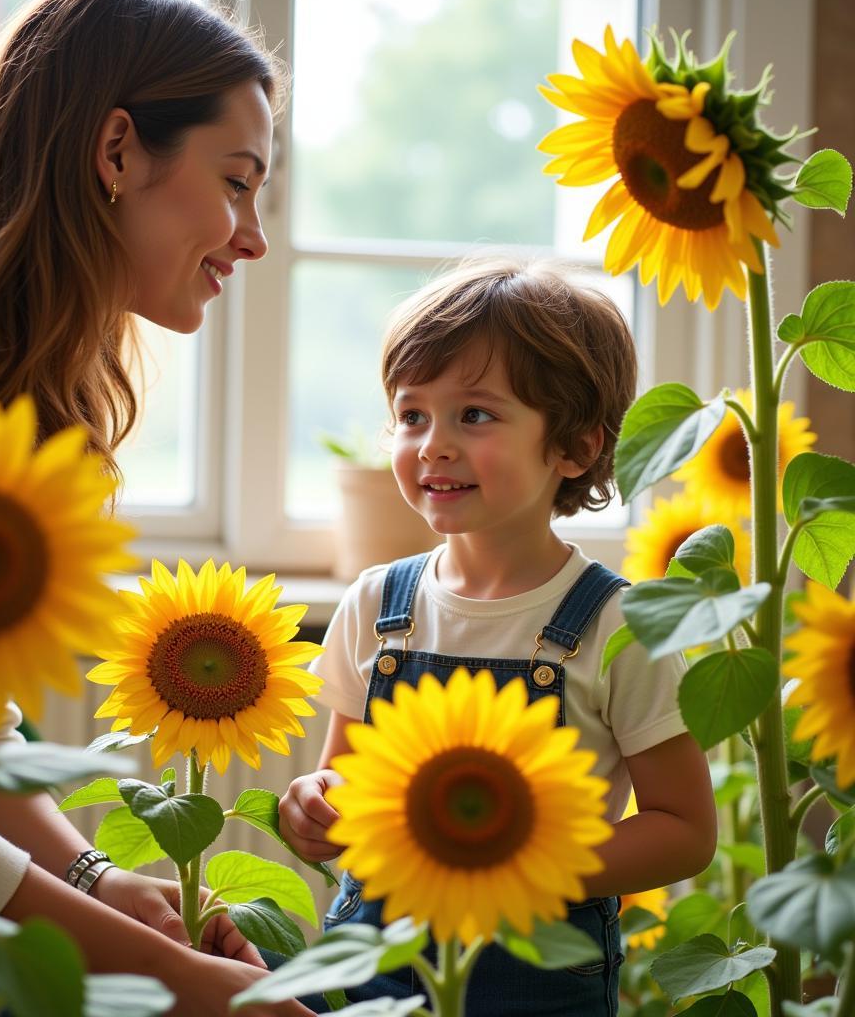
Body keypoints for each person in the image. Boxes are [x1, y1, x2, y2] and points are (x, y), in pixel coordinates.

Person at [0, 0, 316, 1014]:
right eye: (238, 183)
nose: (255, 238)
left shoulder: (0, 363)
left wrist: (106, 887)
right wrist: (184, 981)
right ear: (115, 152)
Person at [279, 258, 718, 1015]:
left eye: (474, 415)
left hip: (538, 974)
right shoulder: (377, 604)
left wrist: (518, 868)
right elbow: (345, 782)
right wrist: (312, 809)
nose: (433, 444)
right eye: (412, 415)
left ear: (575, 449)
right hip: (374, 960)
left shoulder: (618, 626)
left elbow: (684, 831)